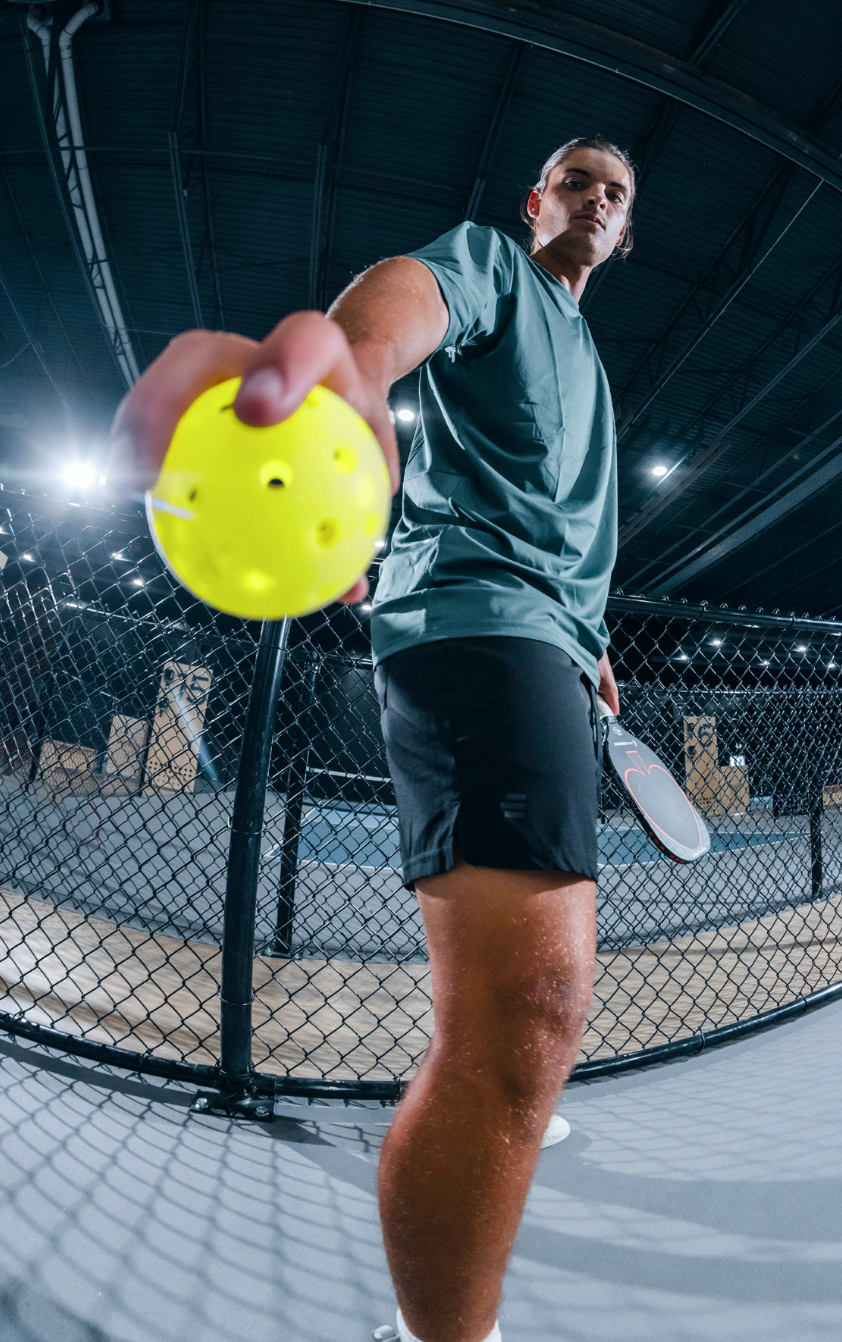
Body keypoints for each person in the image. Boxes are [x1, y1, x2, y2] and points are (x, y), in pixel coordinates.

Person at [109, 135, 634, 1342]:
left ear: (622, 231)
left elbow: (566, 524)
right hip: (477, 622)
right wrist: (344, 370)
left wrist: (592, 639)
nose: (595, 199)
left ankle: (494, 1083)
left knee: (519, 1003)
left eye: (614, 194)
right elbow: (406, 300)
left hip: (553, 644)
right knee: (535, 1003)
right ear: (536, 201)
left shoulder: (589, 356)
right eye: (575, 181)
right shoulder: (496, 268)